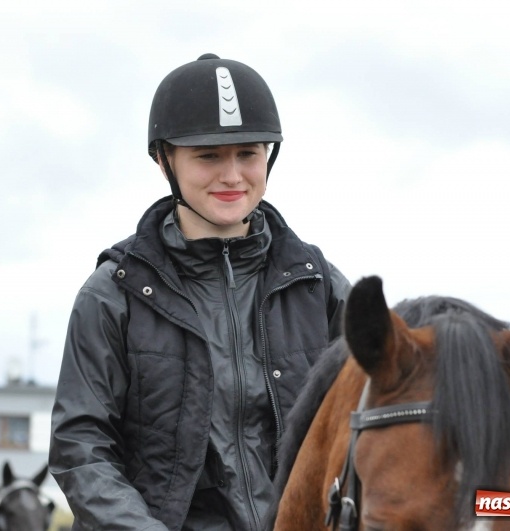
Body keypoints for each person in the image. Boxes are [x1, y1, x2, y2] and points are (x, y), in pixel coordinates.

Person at [49, 53, 350, 531]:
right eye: (208, 156)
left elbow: (369, 420)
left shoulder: (320, 285)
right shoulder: (112, 294)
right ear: (163, 159)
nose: (232, 176)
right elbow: (81, 447)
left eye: (248, 153)